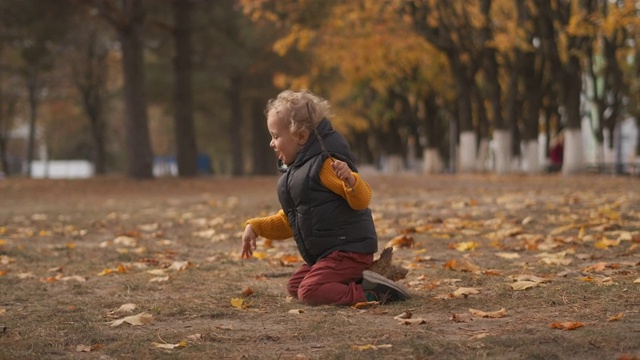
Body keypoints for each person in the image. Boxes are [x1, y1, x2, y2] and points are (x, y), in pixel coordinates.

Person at [241, 89, 410, 306]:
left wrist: (351, 181)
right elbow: (290, 222)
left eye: (275, 136)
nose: (271, 143)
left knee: (310, 291)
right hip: (330, 255)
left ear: (301, 136)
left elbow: (361, 201)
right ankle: (365, 281)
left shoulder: (325, 165)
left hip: (349, 252)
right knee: (295, 286)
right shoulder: (297, 172)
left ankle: (373, 294)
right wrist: (256, 227)